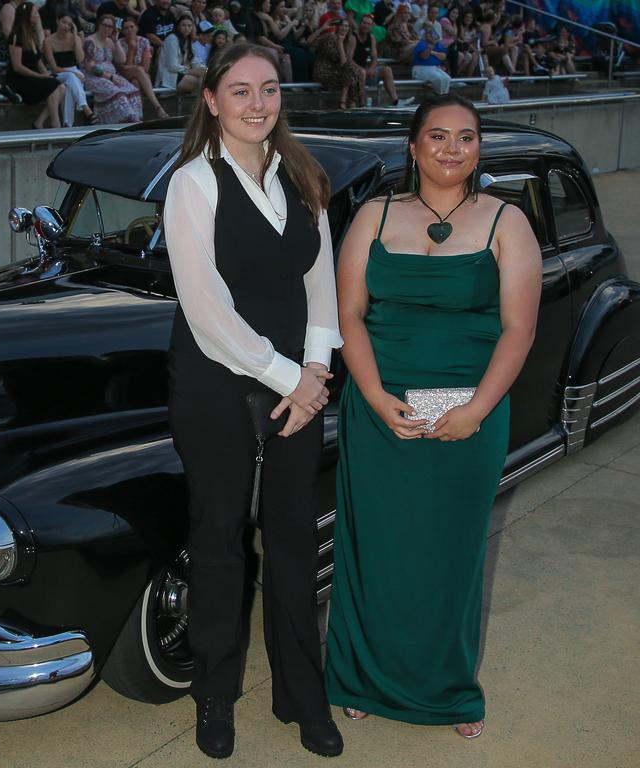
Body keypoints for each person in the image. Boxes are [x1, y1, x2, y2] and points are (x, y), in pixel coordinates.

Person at [326, 92, 541, 741]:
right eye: (439, 136)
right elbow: (349, 316)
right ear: (414, 147)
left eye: (467, 137)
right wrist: (370, 393)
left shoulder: (507, 221)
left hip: (470, 415)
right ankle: (361, 679)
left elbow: (519, 329)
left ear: (480, 148)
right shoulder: (372, 215)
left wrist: (476, 410)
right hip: (378, 407)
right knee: (376, 549)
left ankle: (448, 691)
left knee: (449, 554)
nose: (453, 149)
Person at [163, 40, 344, 761]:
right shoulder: (191, 183)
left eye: (268, 90)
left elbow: (321, 288)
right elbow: (204, 310)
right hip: (215, 384)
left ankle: (302, 696)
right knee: (218, 541)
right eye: (240, 92)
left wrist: (315, 375)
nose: (257, 105)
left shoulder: (304, 177)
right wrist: (289, 379)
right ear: (212, 101)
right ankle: (214, 696)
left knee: (294, 540)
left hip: (296, 385)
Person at [5, 1, 64, 128]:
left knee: (61, 87)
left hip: (33, 76)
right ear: (27, 16)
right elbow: (17, 66)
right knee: (54, 86)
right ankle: (55, 123)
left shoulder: (32, 35)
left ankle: (40, 122)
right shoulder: (16, 36)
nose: (38, 16)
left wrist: (45, 74)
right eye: (35, 13)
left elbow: (37, 60)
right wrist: (39, 76)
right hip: (19, 79)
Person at [82, 13, 140, 122]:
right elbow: (89, 67)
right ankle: (119, 122)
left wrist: (116, 41)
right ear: (99, 25)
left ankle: (134, 120)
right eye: (105, 25)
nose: (107, 28)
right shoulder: (90, 41)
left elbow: (121, 59)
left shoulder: (110, 41)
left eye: (110, 27)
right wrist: (109, 76)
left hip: (112, 76)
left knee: (132, 91)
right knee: (118, 94)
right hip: (94, 77)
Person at [43, 14, 97, 125]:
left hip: (73, 73)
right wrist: (72, 73)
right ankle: (86, 108)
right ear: (58, 21)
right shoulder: (48, 41)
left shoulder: (74, 38)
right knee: (71, 77)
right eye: (64, 22)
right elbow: (54, 67)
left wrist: (76, 37)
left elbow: (80, 59)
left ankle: (67, 124)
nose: (66, 26)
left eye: (69, 24)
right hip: (58, 72)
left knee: (69, 89)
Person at [349, 12, 413, 106]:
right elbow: (349, 59)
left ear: (371, 26)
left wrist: (371, 68)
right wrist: (364, 70)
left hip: (365, 69)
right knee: (362, 72)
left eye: (368, 24)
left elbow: (375, 58)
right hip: (352, 70)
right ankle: (361, 104)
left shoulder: (371, 38)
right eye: (364, 23)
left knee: (386, 70)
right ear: (360, 24)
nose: (366, 26)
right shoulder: (353, 38)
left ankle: (396, 101)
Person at [116, 15, 167, 117]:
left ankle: (138, 116)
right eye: (126, 28)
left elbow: (146, 68)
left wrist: (137, 71)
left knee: (136, 82)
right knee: (137, 70)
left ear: (136, 28)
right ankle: (158, 107)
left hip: (141, 76)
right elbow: (125, 67)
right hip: (123, 74)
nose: (129, 30)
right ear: (122, 31)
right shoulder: (120, 43)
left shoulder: (144, 42)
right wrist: (131, 49)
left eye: (131, 27)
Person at [314, 17, 363, 109]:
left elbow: (344, 63)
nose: (344, 28)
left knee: (353, 72)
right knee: (351, 72)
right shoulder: (328, 37)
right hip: (324, 72)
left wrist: (340, 43)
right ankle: (350, 103)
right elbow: (309, 41)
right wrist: (322, 29)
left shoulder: (348, 41)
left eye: (347, 26)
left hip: (339, 73)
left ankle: (346, 102)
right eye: (342, 25)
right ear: (338, 27)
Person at [155, 13, 204, 92]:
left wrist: (205, 69)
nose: (186, 28)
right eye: (183, 25)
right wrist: (189, 71)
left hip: (182, 74)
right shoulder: (172, 39)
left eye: (189, 26)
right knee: (200, 80)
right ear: (178, 26)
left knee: (206, 74)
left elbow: (195, 61)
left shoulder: (188, 41)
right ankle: (205, 102)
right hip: (170, 77)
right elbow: (172, 66)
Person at [411, 26, 449, 94]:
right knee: (439, 79)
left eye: (433, 34)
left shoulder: (438, 45)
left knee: (447, 78)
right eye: (429, 34)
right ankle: (439, 97)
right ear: (426, 35)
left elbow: (443, 56)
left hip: (434, 68)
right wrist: (430, 49)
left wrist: (433, 52)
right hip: (421, 68)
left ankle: (443, 96)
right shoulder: (421, 43)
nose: (432, 36)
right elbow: (424, 57)